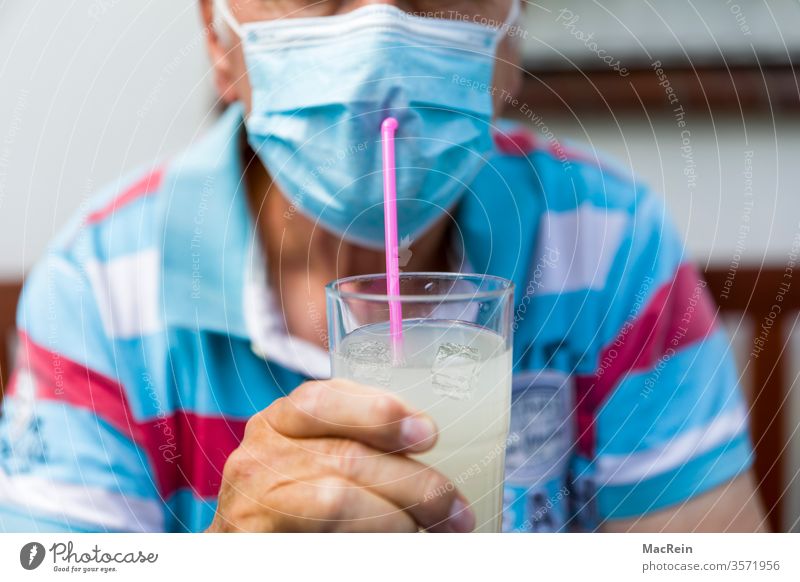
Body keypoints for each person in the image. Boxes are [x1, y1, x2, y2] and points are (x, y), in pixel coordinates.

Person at [0, 0, 766, 533]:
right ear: (217, 37)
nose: (378, 47)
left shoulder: (611, 243)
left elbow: (707, 559)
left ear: (513, 32)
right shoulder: (97, 288)